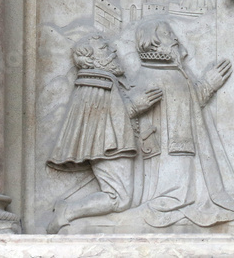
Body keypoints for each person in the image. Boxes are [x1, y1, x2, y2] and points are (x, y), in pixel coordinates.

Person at [46, 35, 162, 232]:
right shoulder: (97, 81)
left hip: (116, 142)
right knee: (119, 198)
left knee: (128, 198)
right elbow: (103, 118)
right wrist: (135, 106)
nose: (113, 52)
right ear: (92, 59)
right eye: (105, 49)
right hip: (110, 145)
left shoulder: (104, 80)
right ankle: (67, 211)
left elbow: (109, 111)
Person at [133, 20, 234, 228]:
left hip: (183, 149)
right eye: (167, 34)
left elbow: (189, 102)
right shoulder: (152, 73)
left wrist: (209, 83)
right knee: (176, 196)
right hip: (168, 153)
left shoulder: (175, 70)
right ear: (153, 43)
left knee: (189, 192)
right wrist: (208, 84)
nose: (175, 38)